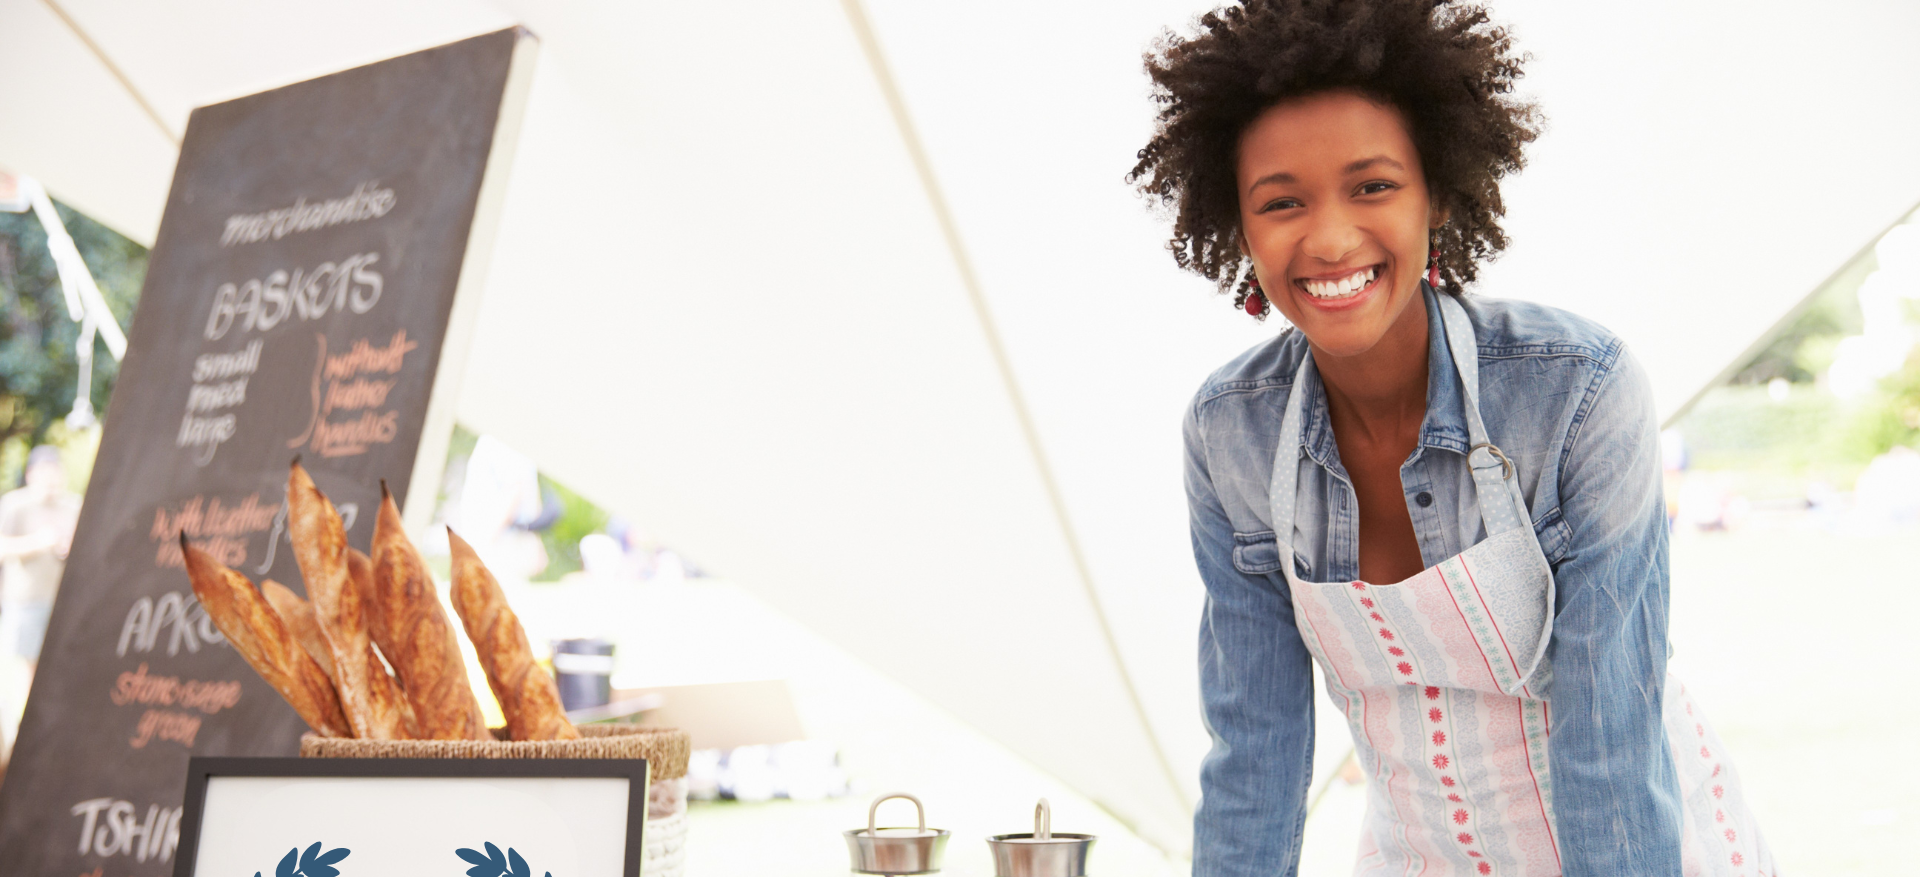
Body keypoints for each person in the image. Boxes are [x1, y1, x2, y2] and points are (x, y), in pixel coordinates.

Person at [1130, 2, 1773, 874]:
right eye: (1282, 201)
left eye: (1373, 186)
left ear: (1435, 193)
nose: (1329, 237)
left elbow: (1609, 745)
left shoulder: (1576, 390)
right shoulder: (1230, 430)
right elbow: (1256, 752)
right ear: (1240, 229)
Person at [0, 446, 80, 667]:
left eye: (55, 470)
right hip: (26, 602)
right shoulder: (14, 504)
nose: (51, 476)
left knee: (60, 668)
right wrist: (37, 543)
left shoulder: (74, 505)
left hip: (64, 602)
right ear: (31, 474)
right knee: (29, 671)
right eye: (45, 470)